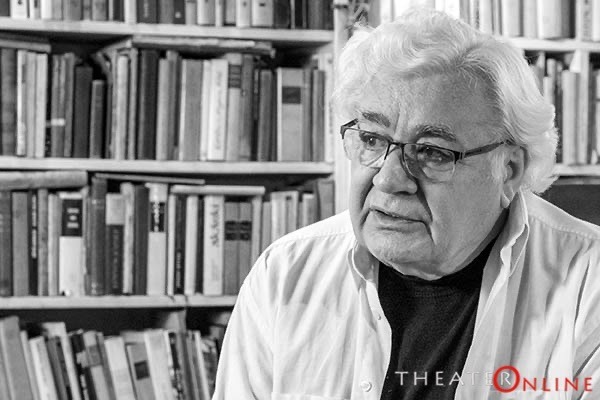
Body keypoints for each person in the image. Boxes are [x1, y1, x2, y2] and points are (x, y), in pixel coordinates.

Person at [213, 8, 600, 400]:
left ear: (509, 170)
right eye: (371, 140)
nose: (389, 179)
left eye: (433, 151)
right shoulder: (285, 274)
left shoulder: (589, 284)